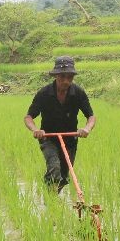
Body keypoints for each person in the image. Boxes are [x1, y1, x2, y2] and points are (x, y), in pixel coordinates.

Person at [24, 56, 96, 192]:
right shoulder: (44, 93)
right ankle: (50, 200)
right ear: (56, 75)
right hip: (49, 139)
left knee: (63, 176)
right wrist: (35, 130)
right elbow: (28, 117)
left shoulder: (78, 93)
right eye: (62, 77)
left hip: (70, 140)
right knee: (54, 168)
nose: (66, 81)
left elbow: (91, 116)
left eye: (69, 77)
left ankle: (51, 198)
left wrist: (87, 128)